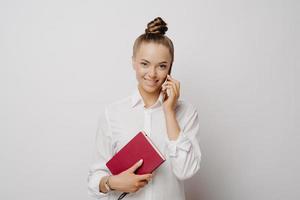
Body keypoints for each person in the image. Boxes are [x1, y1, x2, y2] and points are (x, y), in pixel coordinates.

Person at [87, 17, 201, 200]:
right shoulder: (112, 114)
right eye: (144, 64)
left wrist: (169, 112)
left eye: (162, 66)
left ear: (170, 67)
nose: (152, 74)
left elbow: (186, 171)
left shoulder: (186, 112)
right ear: (133, 62)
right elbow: (94, 178)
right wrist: (113, 182)